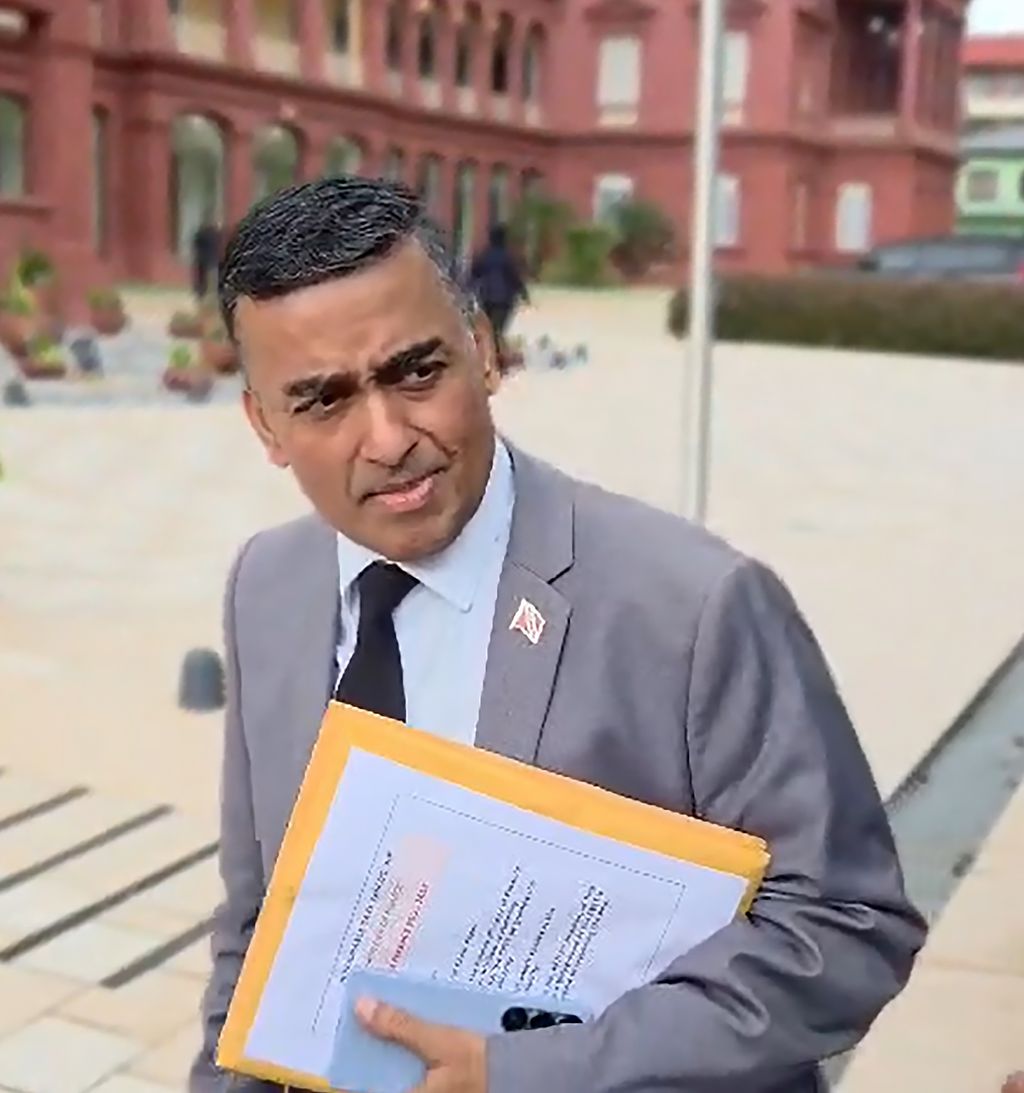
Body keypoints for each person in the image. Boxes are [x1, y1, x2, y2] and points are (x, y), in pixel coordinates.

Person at [190, 176, 925, 1093]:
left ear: (485, 350)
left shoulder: (695, 607)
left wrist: (527, 1070)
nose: (386, 438)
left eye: (416, 372)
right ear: (265, 424)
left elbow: (845, 927)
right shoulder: (267, 585)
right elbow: (259, 923)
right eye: (323, 401)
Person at [468, 224, 529, 371]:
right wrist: (524, 294)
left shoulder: (485, 255)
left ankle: (492, 358)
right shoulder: (508, 258)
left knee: (490, 329)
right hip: (504, 300)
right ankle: (497, 359)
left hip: (487, 297)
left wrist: (466, 291)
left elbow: (473, 275)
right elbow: (515, 278)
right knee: (498, 329)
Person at [191, 217, 222, 303]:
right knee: (212, 279)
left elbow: (196, 245)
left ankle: (201, 295)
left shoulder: (200, 233)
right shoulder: (216, 234)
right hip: (212, 260)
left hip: (202, 260)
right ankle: (210, 296)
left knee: (201, 279)